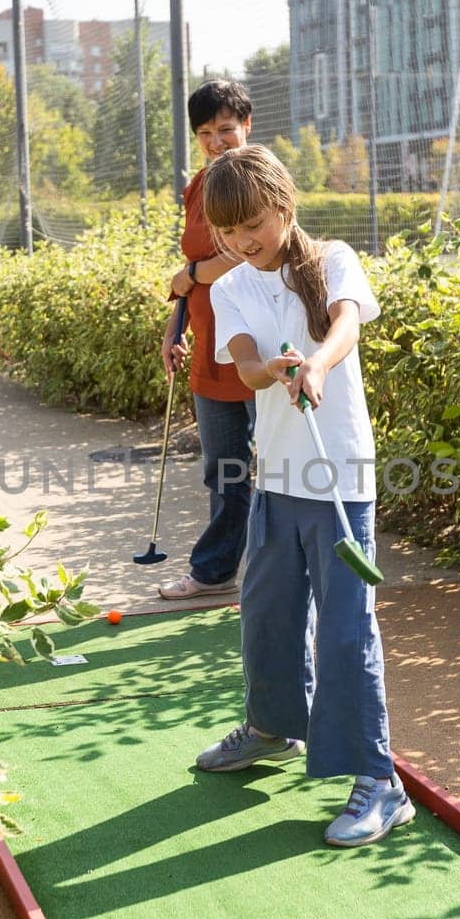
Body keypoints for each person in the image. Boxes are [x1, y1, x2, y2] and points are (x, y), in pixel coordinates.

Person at [194, 144, 413, 848]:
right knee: (267, 612)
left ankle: (381, 782)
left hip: (340, 475)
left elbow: (346, 323)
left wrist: (316, 361)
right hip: (275, 477)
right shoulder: (232, 286)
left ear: (283, 207)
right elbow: (248, 362)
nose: (240, 242)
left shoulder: (334, 259)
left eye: (251, 224)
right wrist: (275, 370)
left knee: (347, 628)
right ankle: (272, 728)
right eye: (227, 233)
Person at [156, 79, 259, 602]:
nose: (216, 141)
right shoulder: (198, 186)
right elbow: (191, 269)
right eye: (204, 133)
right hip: (208, 345)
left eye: (225, 129)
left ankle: (279, 570)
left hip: (257, 346)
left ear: (247, 126)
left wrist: (192, 273)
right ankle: (216, 571)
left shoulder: (259, 179)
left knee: (283, 469)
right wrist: (176, 329)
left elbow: (246, 253)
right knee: (224, 472)